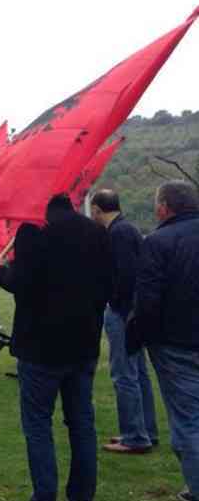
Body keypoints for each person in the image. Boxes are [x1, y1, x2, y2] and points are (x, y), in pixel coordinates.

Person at [0, 194, 112, 501]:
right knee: (81, 424)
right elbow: (107, 284)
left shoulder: (33, 231)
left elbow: (21, 285)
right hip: (84, 342)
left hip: (42, 347)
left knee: (39, 426)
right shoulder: (96, 231)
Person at [128, 180, 199, 501]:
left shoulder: (157, 242)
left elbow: (148, 301)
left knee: (188, 421)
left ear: (164, 208)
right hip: (180, 340)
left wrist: (137, 337)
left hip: (178, 344)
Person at [89, 189, 159, 454]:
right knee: (139, 372)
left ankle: (134, 436)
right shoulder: (129, 229)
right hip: (134, 310)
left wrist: (116, 304)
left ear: (96, 209)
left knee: (124, 374)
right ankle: (147, 431)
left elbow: (126, 275)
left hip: (123, 312)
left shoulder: (117, 233)